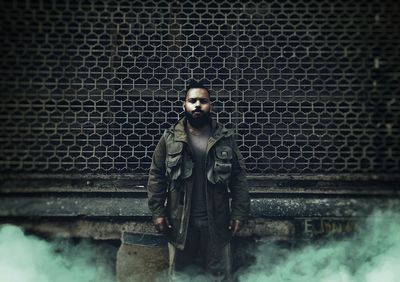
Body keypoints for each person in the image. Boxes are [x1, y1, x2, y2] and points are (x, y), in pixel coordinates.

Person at [147, 81, 250, 281]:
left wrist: (239, 213)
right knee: (181, 275)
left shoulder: (224, 138)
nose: (197, 105)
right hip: (180, 223)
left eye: (202, 101)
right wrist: (157, 213)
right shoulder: (170, 138)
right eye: (192, 100)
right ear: (183, 105)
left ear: (210, 105)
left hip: (217, 223)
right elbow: (156, 176)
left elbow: (239, 178)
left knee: (217, 275)